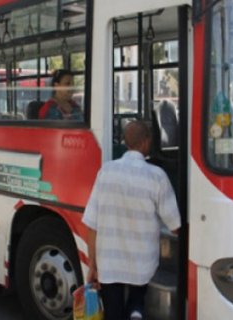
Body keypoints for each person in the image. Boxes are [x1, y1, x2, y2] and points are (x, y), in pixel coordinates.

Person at [83, 121, 181, 320]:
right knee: (137, 295)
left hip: (109, 263)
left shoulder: (106, 172)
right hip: (142, 264)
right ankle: (136, 310)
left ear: (125, 142)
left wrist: (93, 263)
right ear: (146, 143)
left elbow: (91, 224)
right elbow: (175, 226)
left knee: (113, 311)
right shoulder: (157, 176)